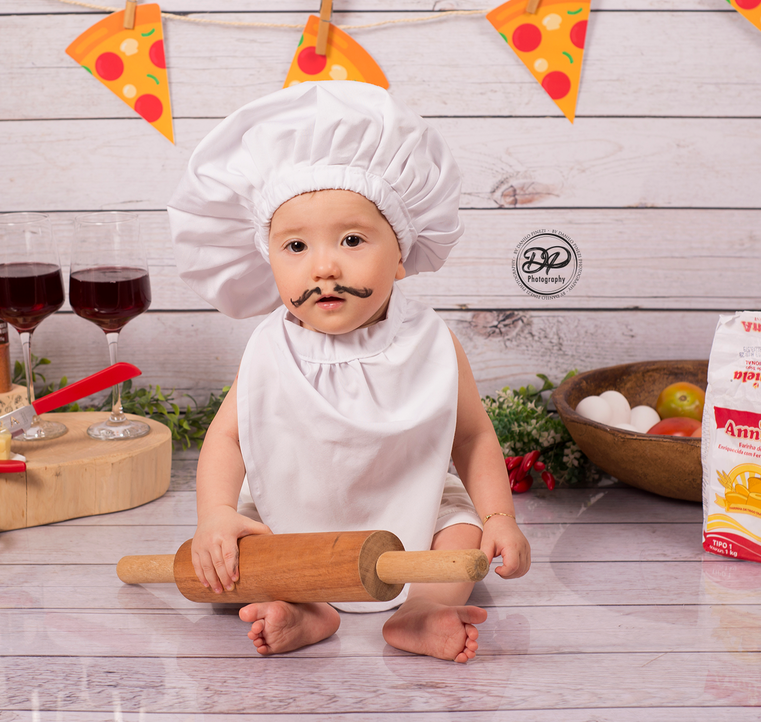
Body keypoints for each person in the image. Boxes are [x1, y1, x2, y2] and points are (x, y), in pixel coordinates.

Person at [167, 80, 530, 663]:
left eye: (353, 239)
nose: (325, 265)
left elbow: (472, 435)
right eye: (295, 247)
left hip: (413, 508)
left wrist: (498, 517)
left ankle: (420, 611)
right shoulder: (269, 348)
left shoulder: (431, 341)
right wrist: (216, 515)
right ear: (267, 259)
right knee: (246, 552)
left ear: (403, 253)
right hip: (293, 515)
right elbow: (229, 437)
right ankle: (310, 609)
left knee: (459, 541)